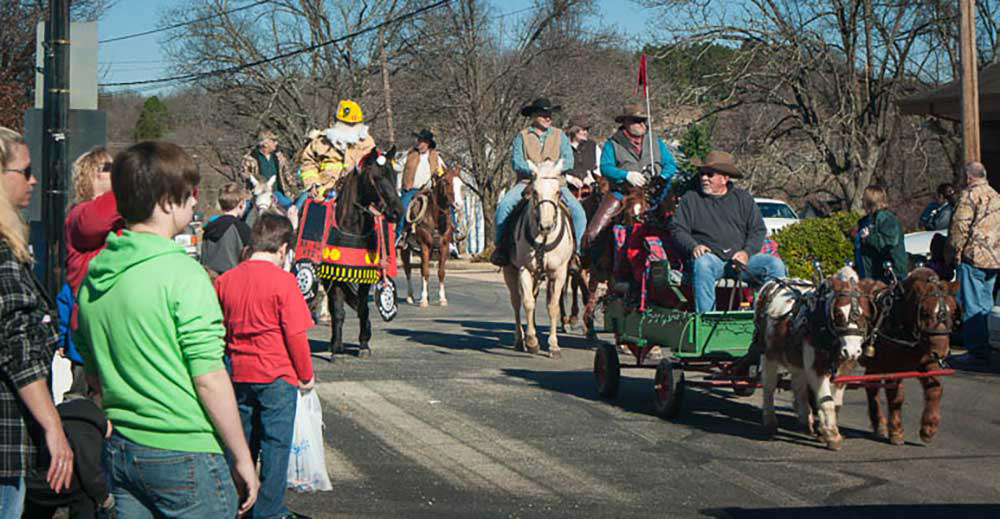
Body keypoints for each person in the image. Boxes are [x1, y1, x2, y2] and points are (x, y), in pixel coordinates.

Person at [74, 141, 259, 517]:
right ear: (165, 202)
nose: (194, 204)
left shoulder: (97, 273)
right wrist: (241, 455)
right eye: (187, 195)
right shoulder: (183, 274)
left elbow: (93, 372)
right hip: (185, 451)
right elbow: (208, 376)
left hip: (122, 449)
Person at [215, 213, 314, 519]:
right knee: (275, 446)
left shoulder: (225, 280)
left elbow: (218, 331)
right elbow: (296, 336)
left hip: (239, 374)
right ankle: (269, 511)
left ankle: (240, 503)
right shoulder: (284, 282)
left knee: (243, 445)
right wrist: (306, 376)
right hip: (276, 375)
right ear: (283, 248)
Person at [0, 126, 73, 518]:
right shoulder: (2, 253)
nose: (34, 180)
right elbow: (17, 345)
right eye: (24, 171)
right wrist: (53, 427)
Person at [668, 150, 787, 313]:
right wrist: (694, 246)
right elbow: (677, 229)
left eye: (710, 174)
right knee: (702, 263)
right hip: (712, 262)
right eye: (702, 174)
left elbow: (758, 230)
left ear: (725, 178)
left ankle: (770, 318)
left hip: (741, 263)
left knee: (774, 265)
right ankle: (707, 319)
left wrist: (746, 252)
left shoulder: (743, 199)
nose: (704, 178)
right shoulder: (691, 199)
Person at [490, 97, 587, 267]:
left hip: (556, 183)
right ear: (533, 116)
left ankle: (577, 254)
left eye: (549, 114)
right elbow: (517, 162)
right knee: (504, 206)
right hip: (528, 182)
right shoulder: (522, 136)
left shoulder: (560, 136)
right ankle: (501, 248)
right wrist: (535, 170)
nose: (547, 117)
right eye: (543, 114)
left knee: (579, 212)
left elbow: (568, 160)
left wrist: (552, 170)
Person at [582, 104, 677, 248]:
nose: (642, 124)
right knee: (594, 232)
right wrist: (626, 175)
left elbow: (670, 163)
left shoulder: (655, 141)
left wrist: (663, 176)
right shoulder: (612, 143)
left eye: (643, 121)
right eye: (637, 120)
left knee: (676, 226)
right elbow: (605, 168)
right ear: (625, 122)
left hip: (655, 192)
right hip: (622, 192)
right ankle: (586, 261)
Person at [947, 162, 1000, 369]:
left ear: (969, 178)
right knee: (985, 305)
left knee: (972, 305)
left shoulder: (969, 196)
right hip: (994, 258)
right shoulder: (996, 196)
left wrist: (953, 252)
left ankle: (977, 354)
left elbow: (960, 227)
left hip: (974, 257)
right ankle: (987, 348)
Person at [24, 399, 114, 519]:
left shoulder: (58, 421)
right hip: (63, 483)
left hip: (41, 480)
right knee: (86, 493)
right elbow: (90, 471)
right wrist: (104, 498)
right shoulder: (89, 429)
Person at [299, 100, 376, 201]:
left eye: (354, 125)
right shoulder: (321, 141)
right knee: (300, 211)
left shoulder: (367, 142)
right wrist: (312, 183)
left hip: (357, 195)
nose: (350, 129)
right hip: (323, 193)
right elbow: (308, 162)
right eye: (346, 125)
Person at [397, 129, 445, 243]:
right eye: (419, 141)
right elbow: (398, 167)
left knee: (446, 207)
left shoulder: (436, 156)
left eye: (422, 141)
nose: (419, 144)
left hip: (430, 190)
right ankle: (400, 235)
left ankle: (453, 233)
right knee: (402, 209)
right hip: (411, 190)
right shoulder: (409, 155)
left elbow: (442, 172)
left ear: (428, 143)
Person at [853, 185, 907, 282]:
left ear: (871, 201)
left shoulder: (887, 219)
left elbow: (890, 241)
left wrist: (869, 237)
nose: (862, 201)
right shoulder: (864, 221)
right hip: (867, 274)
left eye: (864, 199)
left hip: (887, 274)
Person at [201, 183, 252, 276]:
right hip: (234, 278)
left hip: (210, 278)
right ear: (241, 204)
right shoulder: (241, 228)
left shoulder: (209, 227)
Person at [241, 130, 298, 210]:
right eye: (273, 141)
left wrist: (295, 187)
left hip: (277, 193)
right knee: (244, 210)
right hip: (257, 194)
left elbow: (287, 174)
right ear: (265, 144)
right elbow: (244, 175)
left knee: (291, 208)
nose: (276, 143)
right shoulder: (250, 158)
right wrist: (255, 181)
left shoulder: (279, 157)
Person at [565, 114, 600, 198]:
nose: (586, 132)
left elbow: (599, 167)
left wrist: (592, 178)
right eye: (583, 130)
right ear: (573, 131)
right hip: (568, 189)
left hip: (591, 190)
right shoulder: (562, 147)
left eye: (587, 130)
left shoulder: (593, 146)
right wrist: (571, 179)